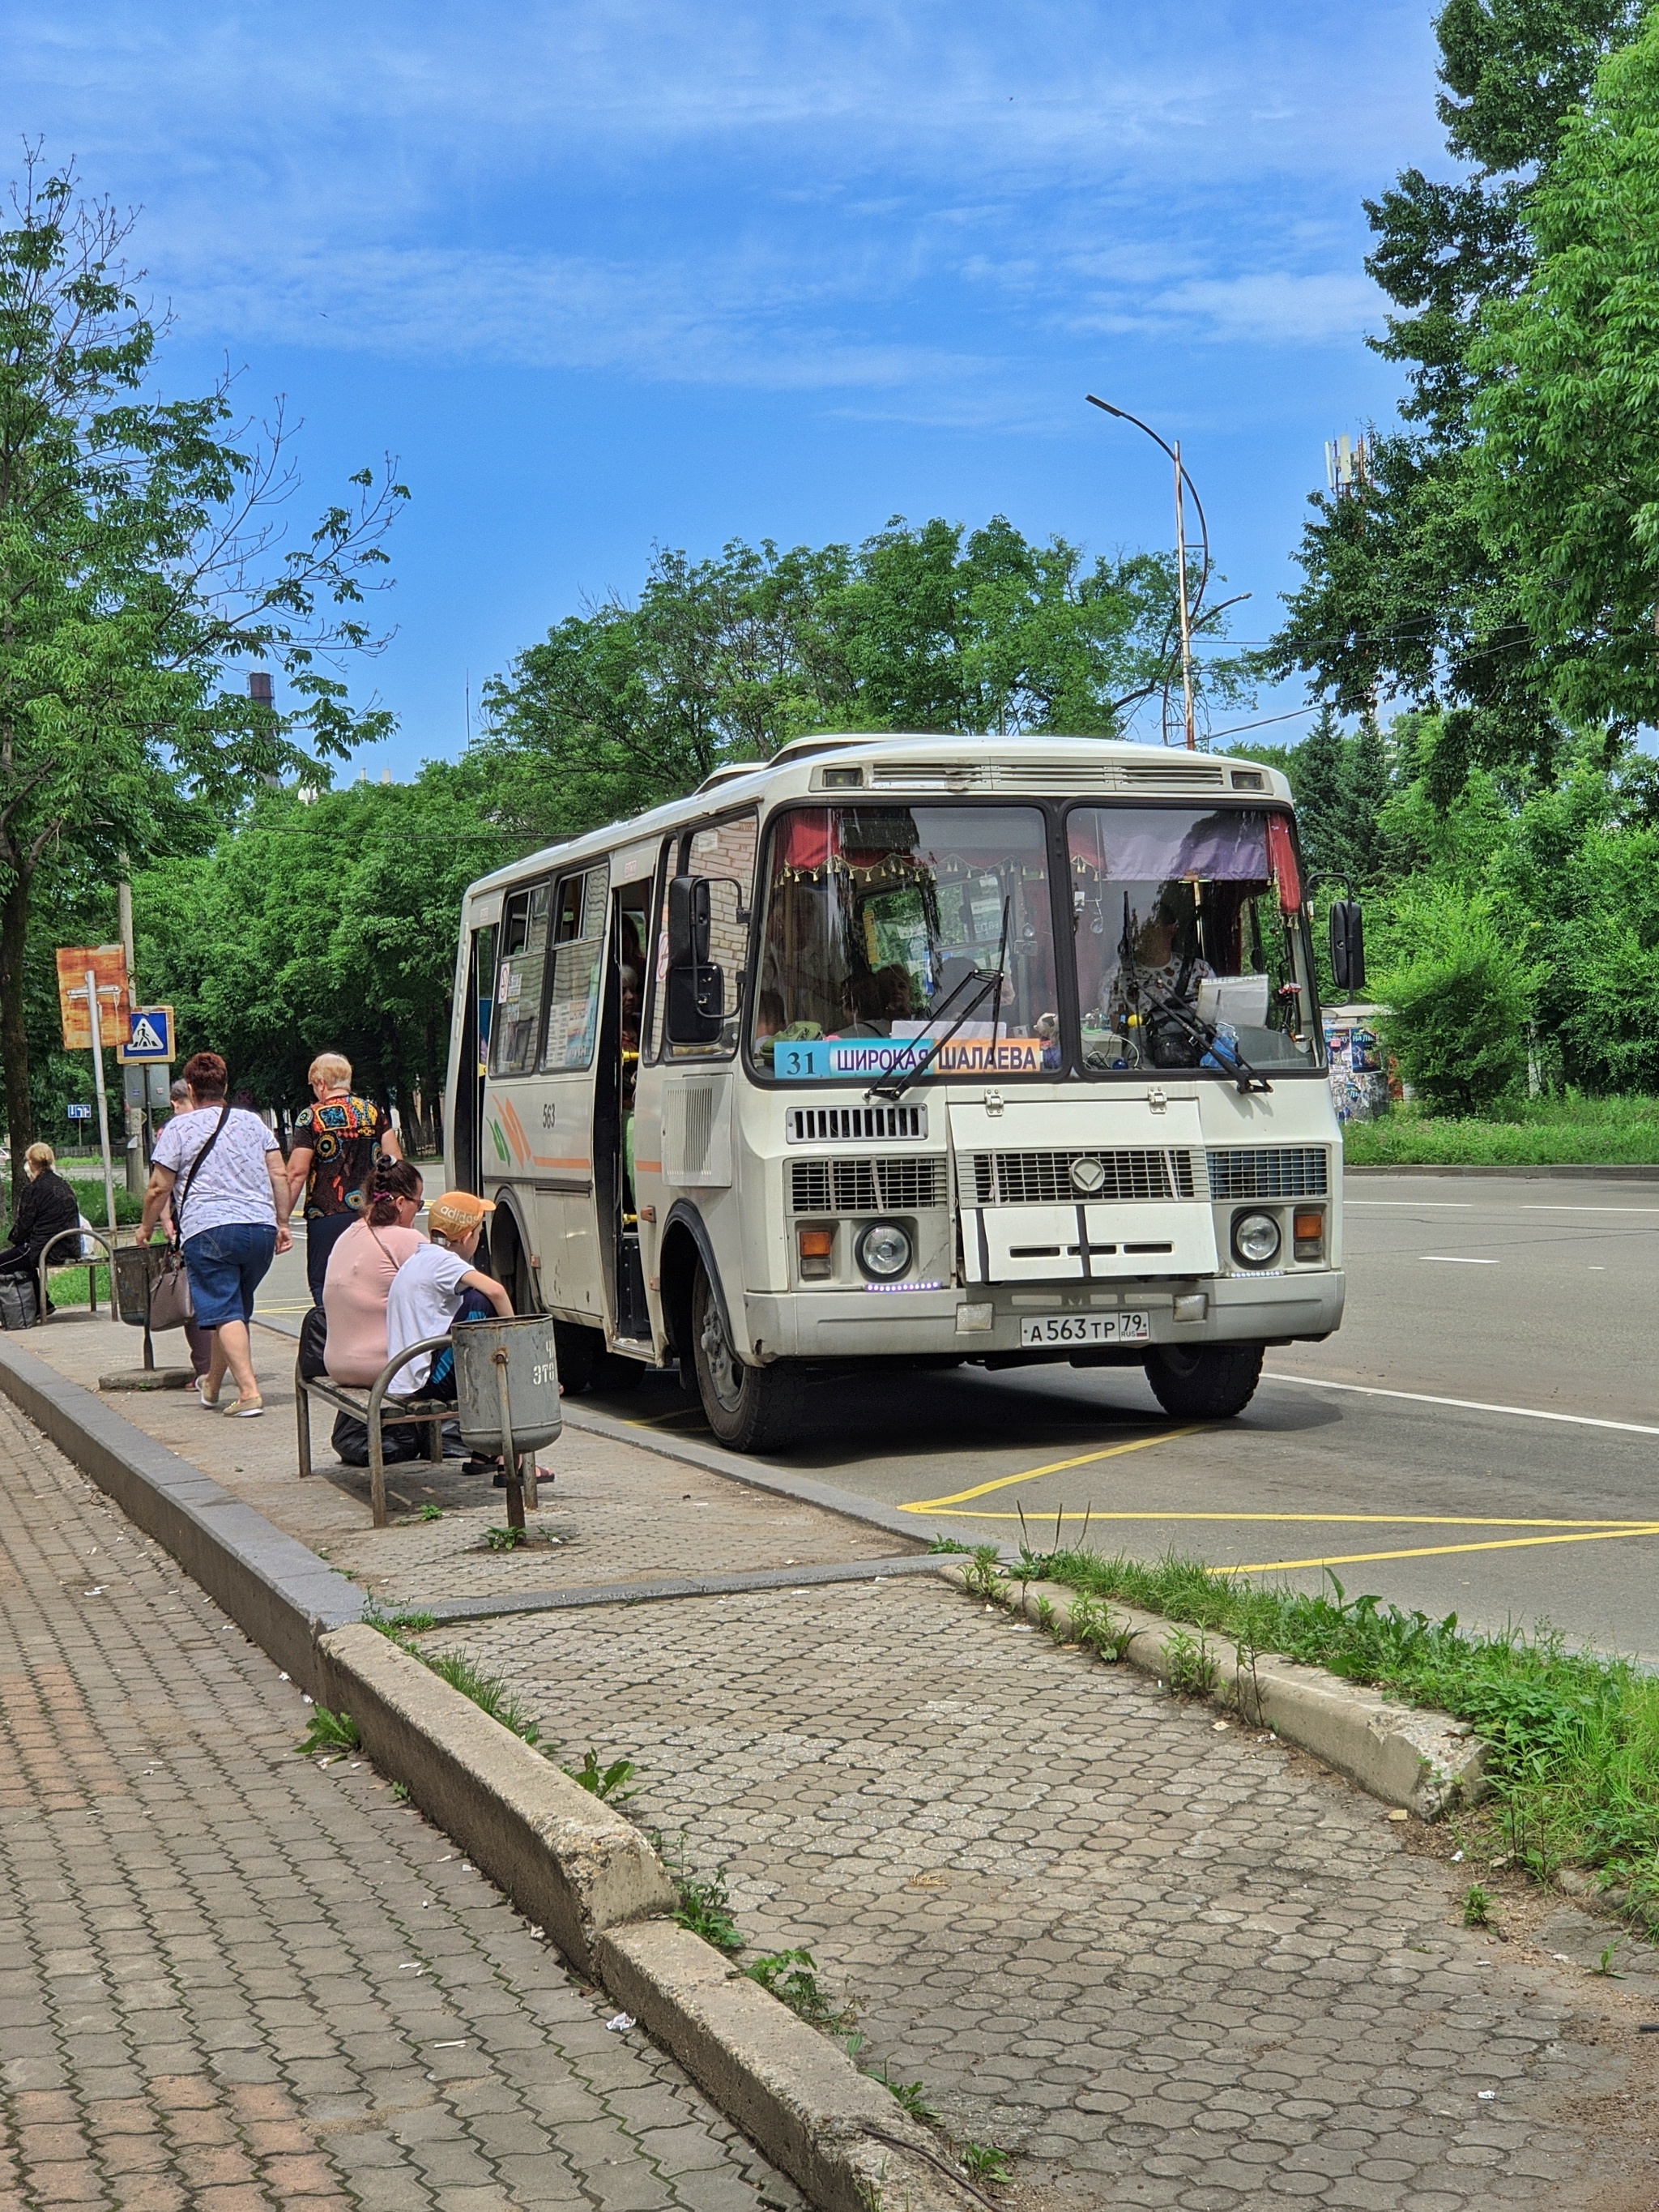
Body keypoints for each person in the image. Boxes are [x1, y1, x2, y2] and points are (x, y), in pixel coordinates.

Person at [139, 1051, 292, 1417]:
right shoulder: (253, 1123)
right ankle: (211, 1386)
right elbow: (280, 1175)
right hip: (259, 1230)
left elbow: (159, 1186)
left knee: (224, 1311)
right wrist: (283, 1222)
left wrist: (145, 1227)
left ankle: (249, 1391)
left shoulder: (178, 1128)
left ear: (190, 1089)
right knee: (232, 1311)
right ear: (225, 1085)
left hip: (208, 1231)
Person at [285, 1053, 403, 1306]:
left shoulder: (311, 1118)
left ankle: (332, 1338)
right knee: (371, 1282)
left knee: (325, 1285)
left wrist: (280, 1218)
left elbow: (296, 1173)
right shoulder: (373, 1113)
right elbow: (395, 1162)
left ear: (321, 1083)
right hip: (371, 1213)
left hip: (327, 1215)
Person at [385, 1191, 512, 1405]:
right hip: (428, 1382)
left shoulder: (421, 1257)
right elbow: (496, 1291)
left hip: (403, 1374)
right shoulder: (446, 1262)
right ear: (466, 1238)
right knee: (481, 1302)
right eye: (479, 1234)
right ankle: (510, 1375)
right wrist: (517, 1344)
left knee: (470, 1296)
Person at [322, 1159, 426, 1387]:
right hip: (383, 1365)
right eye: (418, 1204)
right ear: (400, 1203)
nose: (417, 1212)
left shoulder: (347, 1235)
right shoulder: (407, 1240)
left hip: (336, 1364)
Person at [0, 1144, 82, 1298]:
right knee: (19, 1259)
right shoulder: (62, 1184)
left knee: (10, 1260)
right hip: (69, 1246)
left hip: (45, 1248)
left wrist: (14, 1241)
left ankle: (30, 1306)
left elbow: (23, 1226)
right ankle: (42, 1305)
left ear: (31, 1163)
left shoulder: (34, 1189)